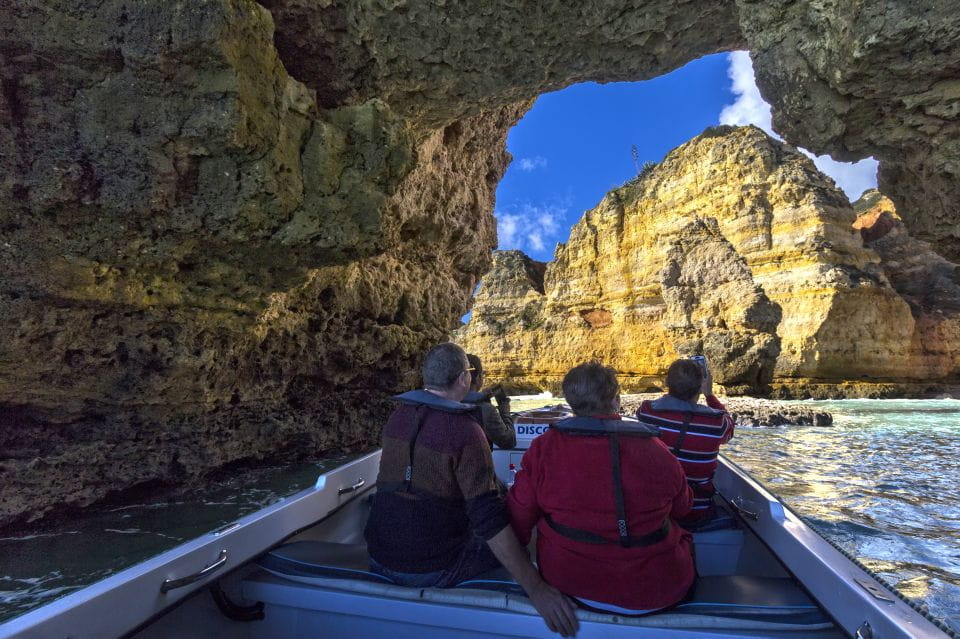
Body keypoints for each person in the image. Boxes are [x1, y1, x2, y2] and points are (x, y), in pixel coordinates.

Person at [364, 342, 578, 636]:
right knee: (521, 532)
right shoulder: (464, 431)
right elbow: (488, 518)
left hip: (379, 556)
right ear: (464, 379)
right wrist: (536, 588)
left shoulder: (398, 418)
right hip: (432, 568)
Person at [508, 361, 695, 615]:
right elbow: (683, 508)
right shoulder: (656, 448)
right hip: (657, 589)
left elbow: (519, 516)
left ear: (571, 403)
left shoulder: (544, 448)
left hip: (571, 584)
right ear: (616, 400)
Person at [635, 357, 735, 530]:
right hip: (695, 511)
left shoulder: (646, 412)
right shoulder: (716, 422)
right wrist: (709, 395)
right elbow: (729, 430)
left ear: (668, 383)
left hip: (656, 509)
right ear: (700, 386)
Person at [462, 353, 516, 449]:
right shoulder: (486, 410)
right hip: (477, 462)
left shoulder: (447, 401)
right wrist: (505, 412)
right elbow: (509, 441)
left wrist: (483, 398)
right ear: (478, 377)